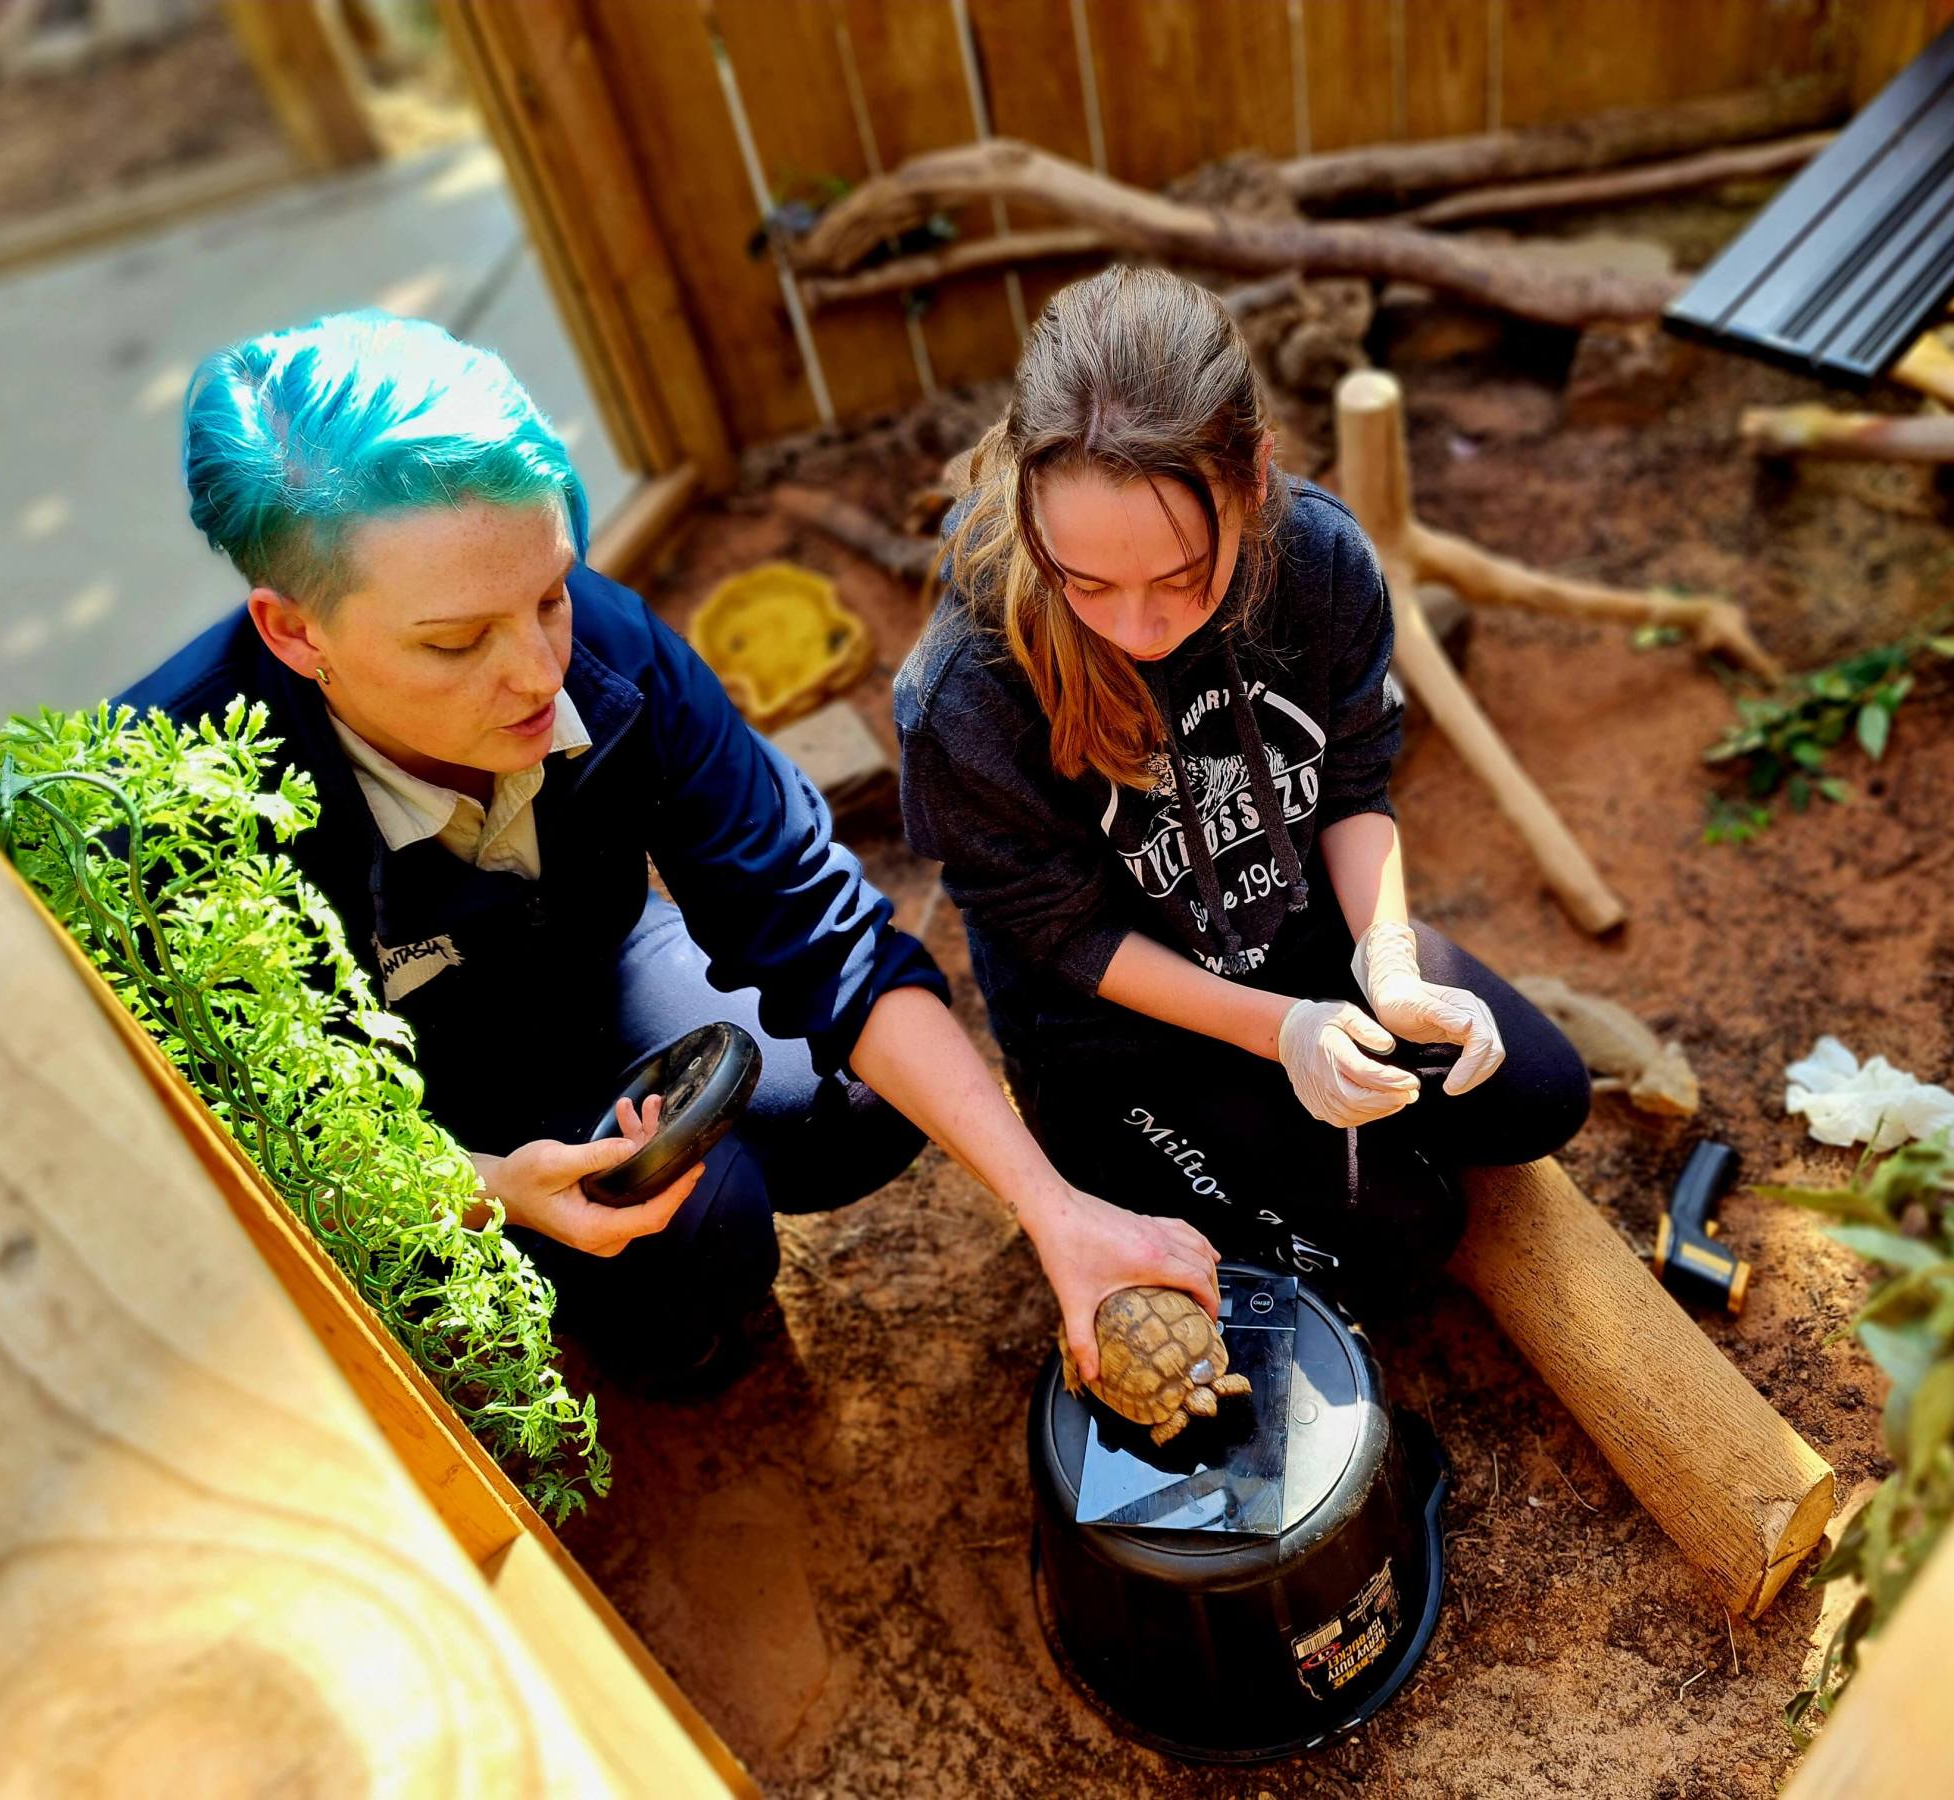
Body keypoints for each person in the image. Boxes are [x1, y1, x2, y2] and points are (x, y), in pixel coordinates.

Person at [118, 310, 1216, 1389]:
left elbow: (818, 925)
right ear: (293, 631)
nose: (542, 672)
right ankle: (669, 1351)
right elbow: (248, 1150)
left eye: (548, 592)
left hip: (593, 972)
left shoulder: (611, 645)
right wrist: (492, 1188)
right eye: (454, 643)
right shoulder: (175, 813)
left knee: (866, 1101)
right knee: (694, 1229)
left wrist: (1051, 1209)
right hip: (416, 1114)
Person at [896, 267, 1590, 1298]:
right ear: (1034, 505)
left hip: (1298, 941)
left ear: (1254, 478)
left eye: (1181, 577)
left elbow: (1354, 789)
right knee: (1408, 1241)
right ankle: (1137, 1159)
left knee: (1541, 1098)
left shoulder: (1318, 563)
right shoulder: (967, 688)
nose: (1136, 628)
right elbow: (1064, 937)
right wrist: (1281, 1033)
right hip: (1120, 1036)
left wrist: (1388, 963)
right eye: (1086, 583)